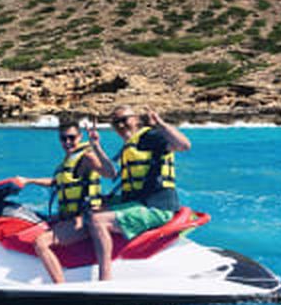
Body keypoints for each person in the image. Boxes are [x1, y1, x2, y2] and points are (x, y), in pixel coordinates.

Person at [87, 105, 191, 281]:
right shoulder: (130, 145)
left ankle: (105, 278)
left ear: (136, 119)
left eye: (124, 119)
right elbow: (112, 173)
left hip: (157, 207)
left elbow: (184, 145)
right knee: (92, 208)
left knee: (98, 221)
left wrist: (160, 124)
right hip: (138, 203)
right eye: (116, 122)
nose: (120, 125)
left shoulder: (151, 137)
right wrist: (95, 145)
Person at [15, 119, 115, 283]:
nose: (68, 142)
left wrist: (96, 146)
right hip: (69, 216)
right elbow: (56, 182)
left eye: (72, 137)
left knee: (40, 243)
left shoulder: (86, 158)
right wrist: (28, 180)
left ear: (80, 137)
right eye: (63, 139)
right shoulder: (67, 163)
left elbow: (110, 173)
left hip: (85, 219)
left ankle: (61, 286)